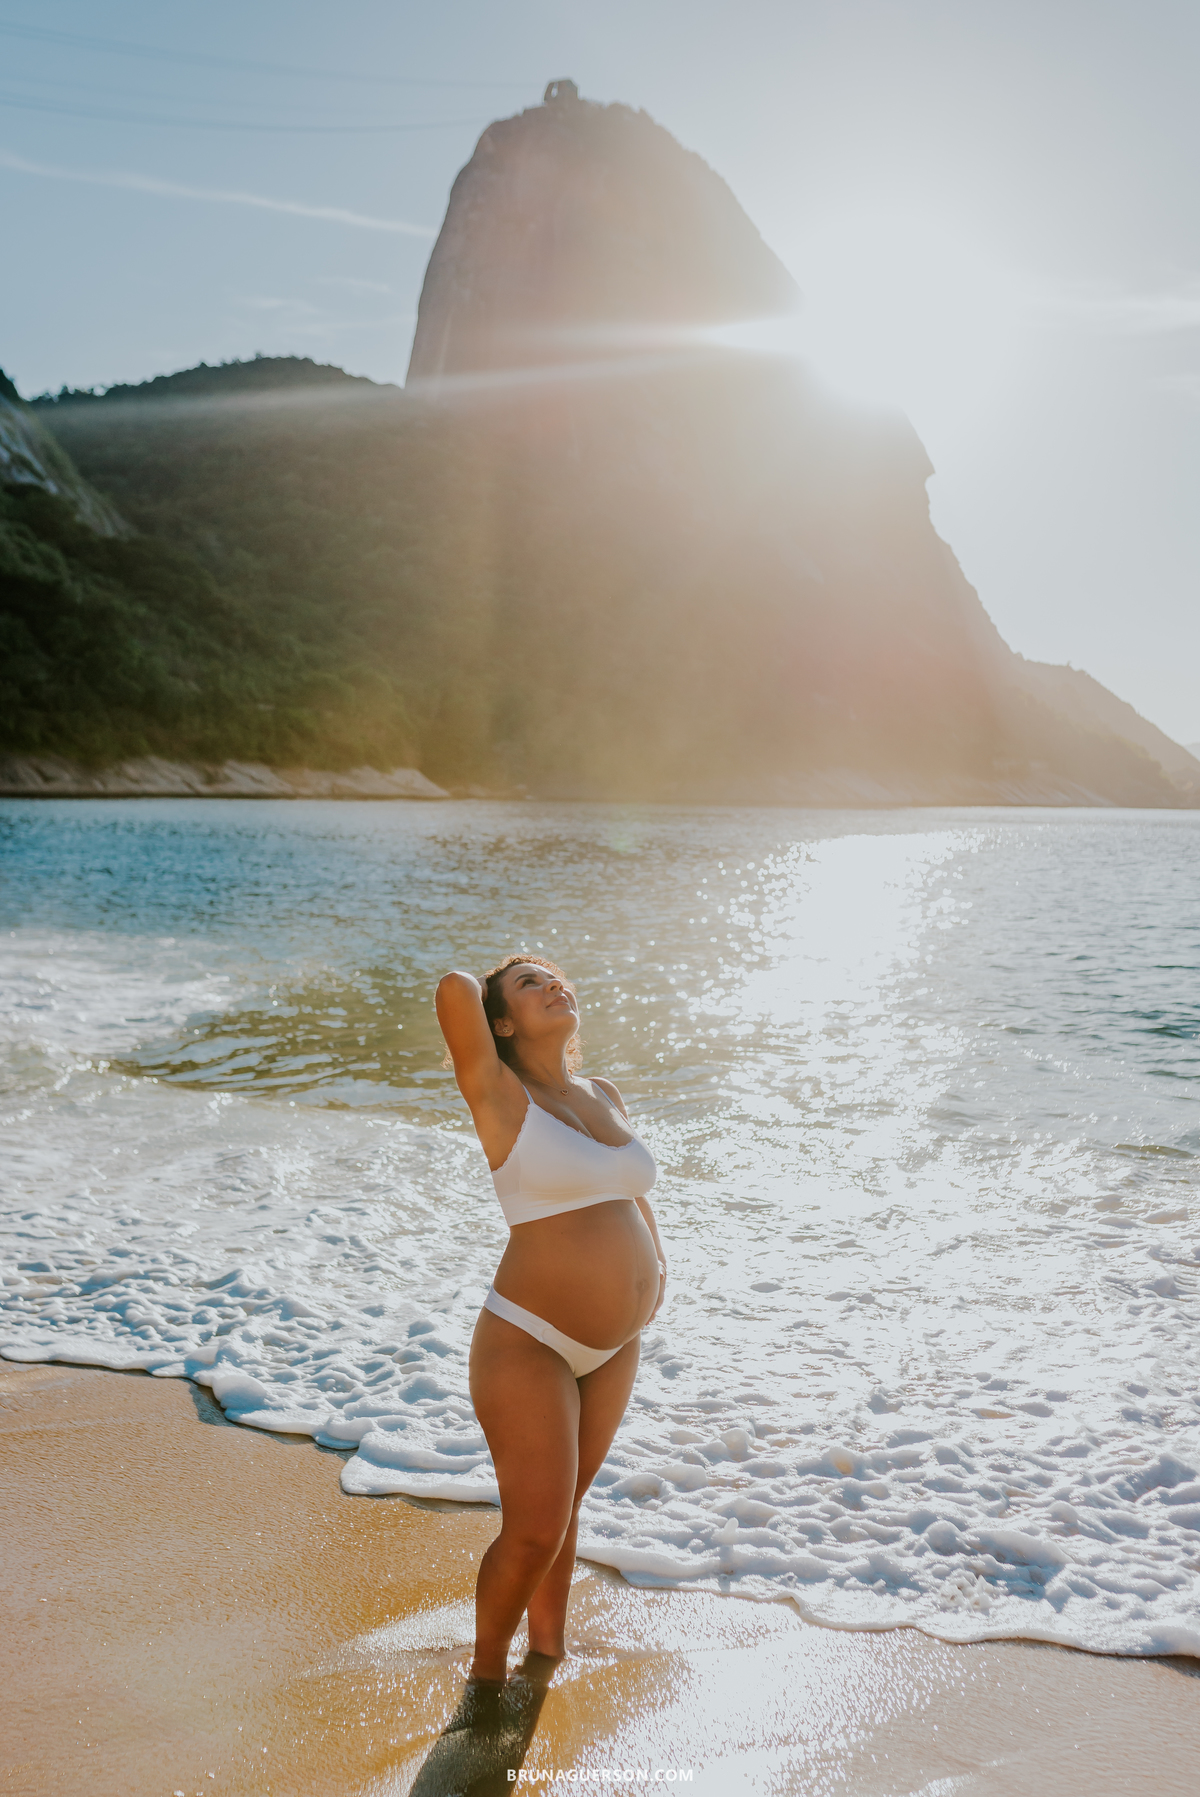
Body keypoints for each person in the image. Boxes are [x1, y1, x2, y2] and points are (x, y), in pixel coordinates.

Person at [435, 954, 667, 1696]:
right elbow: (453, 991)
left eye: (557, 976)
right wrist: (492, 983)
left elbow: (630, 1190)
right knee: (534, 1525)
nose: (554, 984)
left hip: (613, 1344)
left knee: (565, 1507)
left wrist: (656, 1263)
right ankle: (483, 1680)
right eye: (531, 984)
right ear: (501, 1021)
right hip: (527, 1340)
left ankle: (548, 1651)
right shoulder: (499, 1093)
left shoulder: (602, 1092)